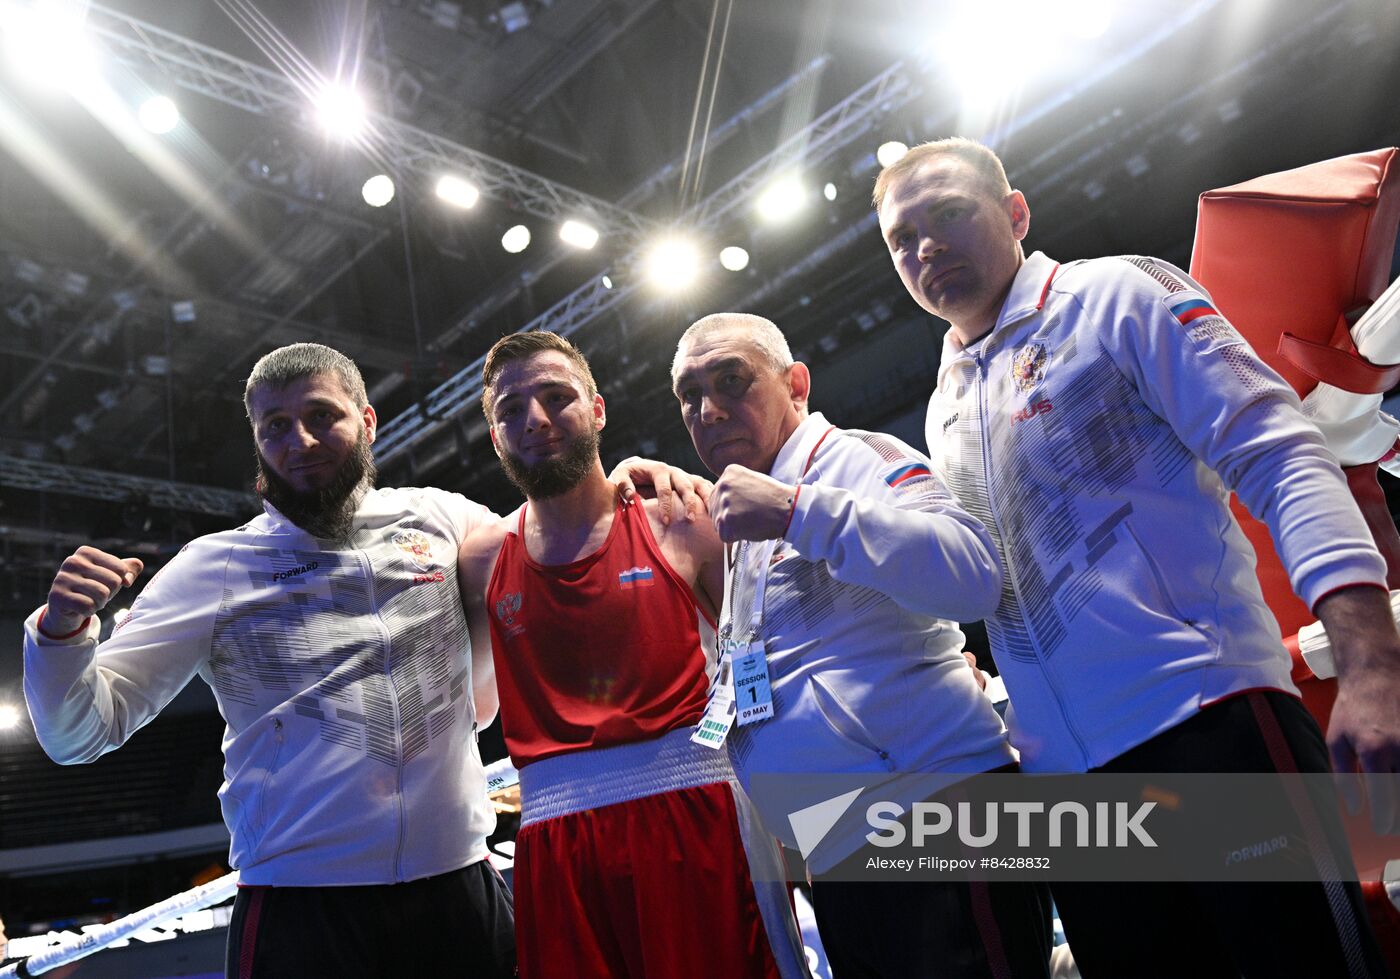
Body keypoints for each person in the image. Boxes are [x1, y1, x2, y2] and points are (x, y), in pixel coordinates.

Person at [873, 137, 1400, 976]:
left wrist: (1372, 662)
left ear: (1015, 213)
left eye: (948, 214)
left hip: (1208, 722)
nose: (925, 247)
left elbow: (1279, 453)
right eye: (903, 239)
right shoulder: (944, 406)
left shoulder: (1114, 294)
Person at [22, 342, 518, 978]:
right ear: (257, 440)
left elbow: (551, 547)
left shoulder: (444, 519)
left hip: (458, 887)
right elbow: (78, 736)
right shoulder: (215, 567)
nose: (301, 441)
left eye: (322, 416)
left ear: (367, 420)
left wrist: (621, 480)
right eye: (276, 426)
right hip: (302, 911)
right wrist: (61, 635)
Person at [669, 311, 1052, 978]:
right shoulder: (742, 525)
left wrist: (800, 511)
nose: (708, 409)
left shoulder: (856, 456)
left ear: (796, 384)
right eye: (689, 396)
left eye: (731, 380)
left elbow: (973, 573)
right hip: (840, 851)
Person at [456, 330, 808, 979]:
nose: (534, 419)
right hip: (555, 842)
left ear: (597, 409)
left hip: (698, 813)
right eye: (509, 410)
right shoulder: (481, 558)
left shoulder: (681, 518)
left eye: (556, 396)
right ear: (494, 434)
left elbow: (767, 655)